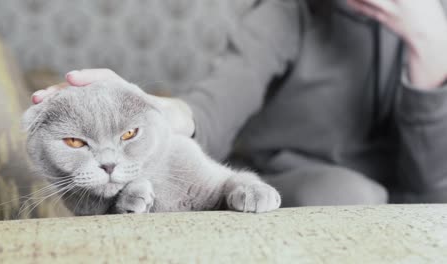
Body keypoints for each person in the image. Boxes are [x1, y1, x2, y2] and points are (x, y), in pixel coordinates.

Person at [32, 0, 447, 207]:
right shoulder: (287, 13)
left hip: (404, 195)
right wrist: (156, 112)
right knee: (352, 193)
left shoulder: (436, 17)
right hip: (291, 184)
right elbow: (213, 106)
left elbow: (434, 195)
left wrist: (431, 47)